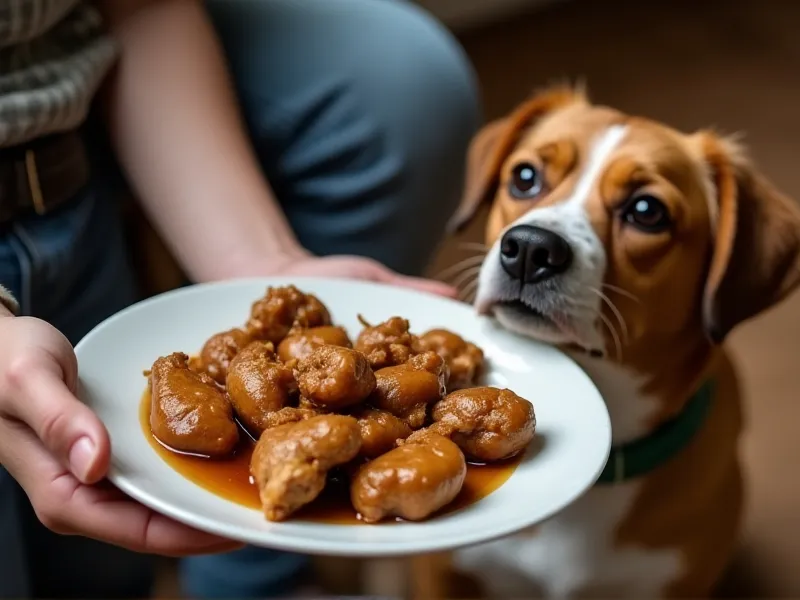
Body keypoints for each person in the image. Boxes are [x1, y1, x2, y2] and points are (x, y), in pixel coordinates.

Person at [0, 0, 479, 598]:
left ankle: (252, 576)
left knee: (106, 565)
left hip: (70, 142)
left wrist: (261, 263)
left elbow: (141, 8)